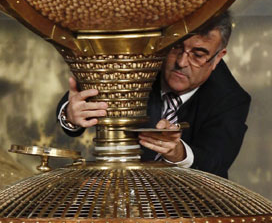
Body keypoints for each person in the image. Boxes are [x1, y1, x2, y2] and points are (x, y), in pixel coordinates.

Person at [57, 12, 250, 178]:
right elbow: (76, 100)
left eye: (198, 55)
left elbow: (215, 161)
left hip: (189, 201)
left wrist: (178, 153)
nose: (182, 62)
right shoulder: (137, 61)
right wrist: (70, 115)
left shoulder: (231, 99)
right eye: (176, 46)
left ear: (218, 58)